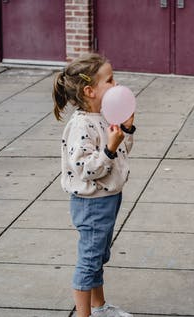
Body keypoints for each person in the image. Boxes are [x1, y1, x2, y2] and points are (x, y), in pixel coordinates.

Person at [52, 53, 136, 316]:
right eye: (110, 80)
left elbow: (121, 151)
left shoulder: (103, 115)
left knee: (99, 255)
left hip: (109, 198)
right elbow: (85, 168)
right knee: (88, 262)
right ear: (89, 91)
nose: (116, 84)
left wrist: (126, 130)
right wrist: (109, 150)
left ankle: (99, 307)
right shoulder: (81, 126)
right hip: (91, 204)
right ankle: (84, 314)